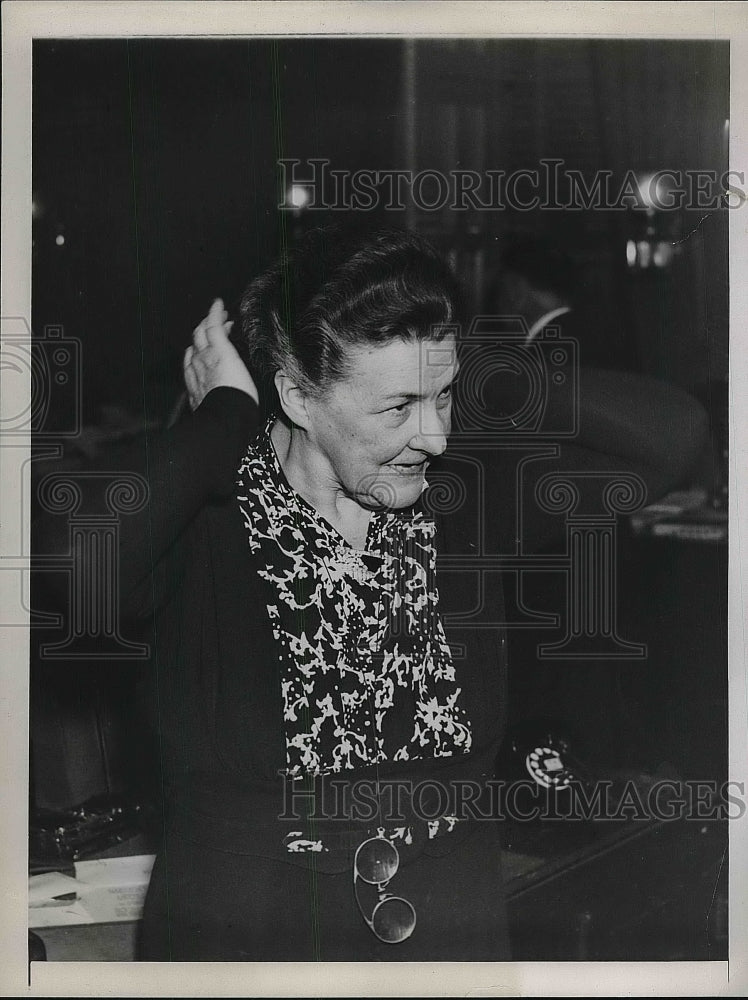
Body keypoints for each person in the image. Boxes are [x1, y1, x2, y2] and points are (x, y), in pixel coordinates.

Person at [33, 226, 709, 961]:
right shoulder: (208, 519)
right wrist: (225, 411)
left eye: (444, 400)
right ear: (295, 393)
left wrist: (443, 360)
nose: (436, 437)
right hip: (251, 953)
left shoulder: (459, 500)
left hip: (453, 947)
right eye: (397, 409)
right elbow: (72, 561)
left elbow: (670, 435)